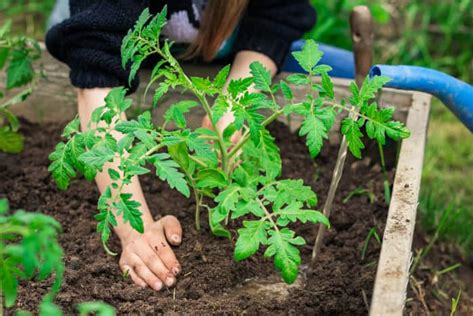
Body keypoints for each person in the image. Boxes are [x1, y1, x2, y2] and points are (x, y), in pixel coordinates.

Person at [45, 0, 316, 291]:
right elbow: (97, 80)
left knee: (342, 67)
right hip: (112, 40)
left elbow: (274, 20)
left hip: (224, 48)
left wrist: (231, 109)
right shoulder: (103, 33)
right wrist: (135, 229)